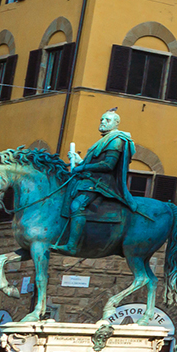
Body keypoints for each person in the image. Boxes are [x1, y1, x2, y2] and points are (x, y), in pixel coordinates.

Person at [56, 108, 135, 253]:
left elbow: (108, 165)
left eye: (107, 120)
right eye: (102, 119)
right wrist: (79, 161)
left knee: (77, 205)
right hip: (90, 180)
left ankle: (72, 246)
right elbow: (94, 163)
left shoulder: (116, 140)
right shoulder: (103, 140)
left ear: (116, 123)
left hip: (101, 183)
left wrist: (82, 167)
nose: (103, 122)